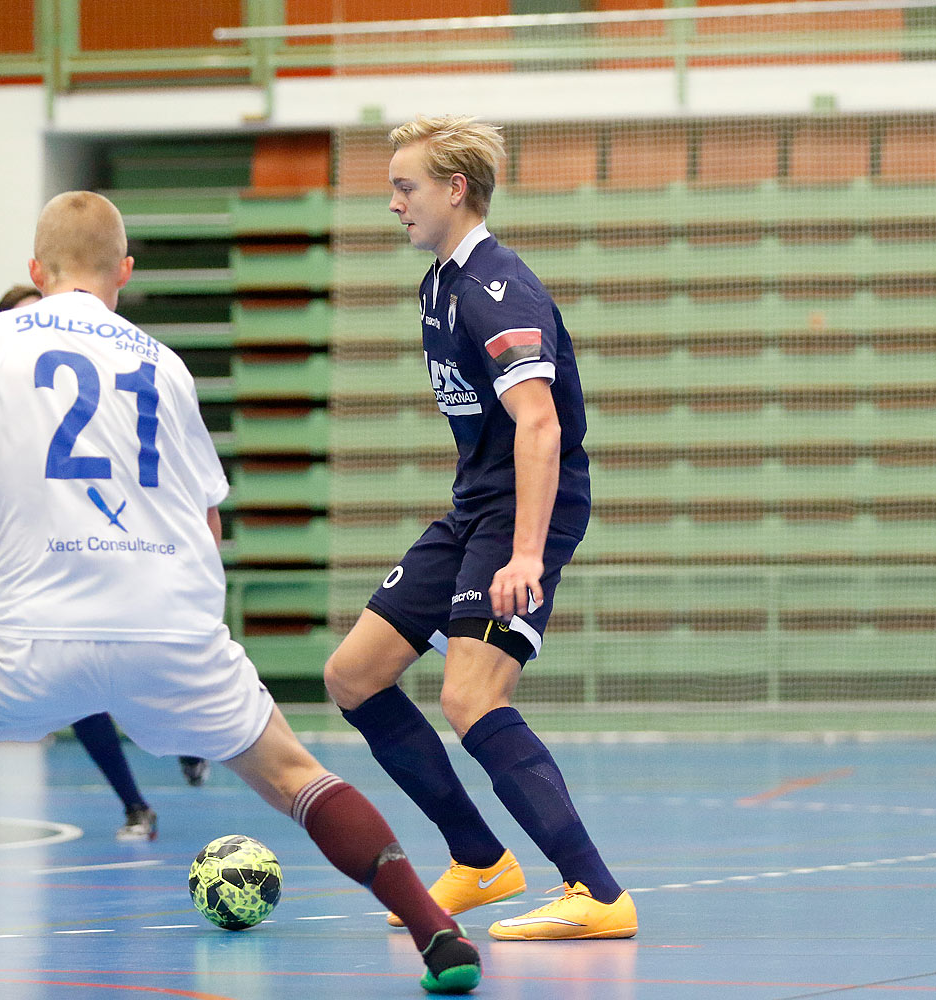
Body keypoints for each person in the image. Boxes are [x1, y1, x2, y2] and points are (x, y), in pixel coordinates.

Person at [0, 191, 482, 995]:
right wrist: (197, 637)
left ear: (34, 271)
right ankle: (438, 934)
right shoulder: (166, 363)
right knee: (298, 776)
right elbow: (205, 518)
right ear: (125, 270)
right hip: (175, 631)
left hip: (32, 640)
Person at [322, 115, 637, 941]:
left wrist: (526, 551)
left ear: (455, 190)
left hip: (526, 510)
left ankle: (597, 892)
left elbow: (541, 428)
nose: (393, 203)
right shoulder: (437, 284)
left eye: (406, 186)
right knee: (354, 675)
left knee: (470, 694)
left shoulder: (502, 288)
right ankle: (479, 859)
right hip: (474, 508)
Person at [0, 284, 208, 842]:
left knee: (153, 660)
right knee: (76, 686)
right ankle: (135, 806)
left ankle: (192, 736)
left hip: (123, 552)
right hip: (51, 572)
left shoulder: (108, 379)